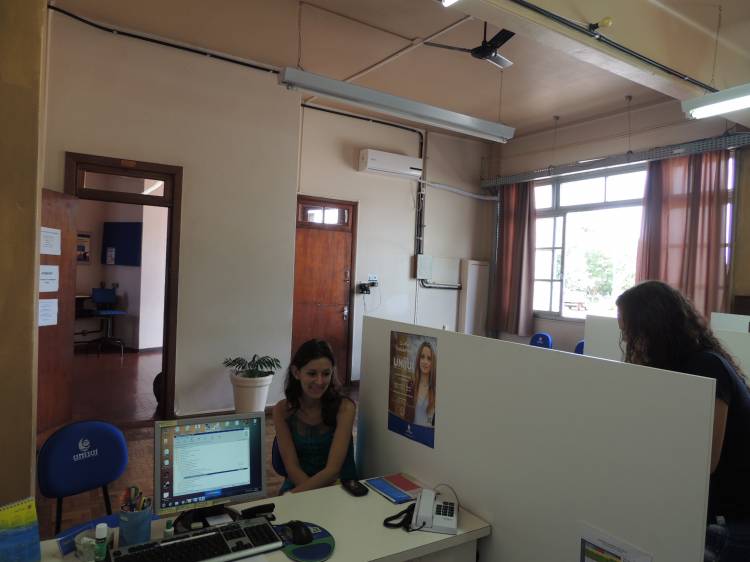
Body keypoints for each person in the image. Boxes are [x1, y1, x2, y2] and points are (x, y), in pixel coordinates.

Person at [616, 281, 750, 561]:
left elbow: (705, 461)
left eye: (631, 332)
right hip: (713, 506)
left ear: (653, 328)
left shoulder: (706, 366)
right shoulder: (678, 368)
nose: (627, 341)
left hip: (733, 517)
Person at [272, 339, 357, 494]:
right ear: (296, 372)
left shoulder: (345, 408)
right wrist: (304, 495)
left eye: (326, 374)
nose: (320, 381)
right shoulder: (282, 410)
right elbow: (292, 468)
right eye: (312, 374)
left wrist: (296, 496)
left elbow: (333, 471)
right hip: (298, 485)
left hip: (338, 487)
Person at [405, 341, 436, 427]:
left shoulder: (436, 388)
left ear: (433, 363)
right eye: (422, 357)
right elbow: (407, 417)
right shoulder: (411, 385)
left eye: (429, 358)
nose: (425, 361)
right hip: (413, 432)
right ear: (418, 359)